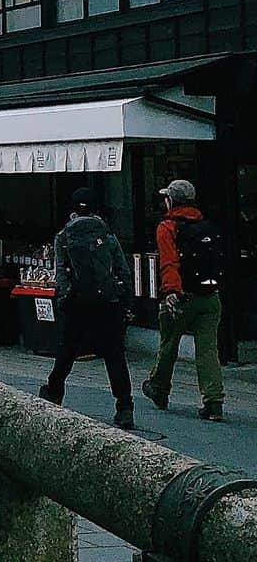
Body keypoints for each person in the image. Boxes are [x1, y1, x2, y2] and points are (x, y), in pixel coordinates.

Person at [39, 187, 134, 430]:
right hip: (108, 303)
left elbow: (61, 271)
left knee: (68, 350)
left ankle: (54, 391)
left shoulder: (64, 236)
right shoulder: (106, 233)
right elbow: (123, 270)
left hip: (78, 303)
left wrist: (64, 297)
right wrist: (124, 300)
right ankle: (124, 406)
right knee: (114, 355)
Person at [142, 179, 226, 421]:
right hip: (210, 297)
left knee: (169, 344)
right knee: (208, 350)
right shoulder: (206, 225)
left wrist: (170, 292)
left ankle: (159, 387)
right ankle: (213, 401)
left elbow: (169, 262)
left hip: (181, 296)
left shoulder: (168, 227)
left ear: (171, 200)